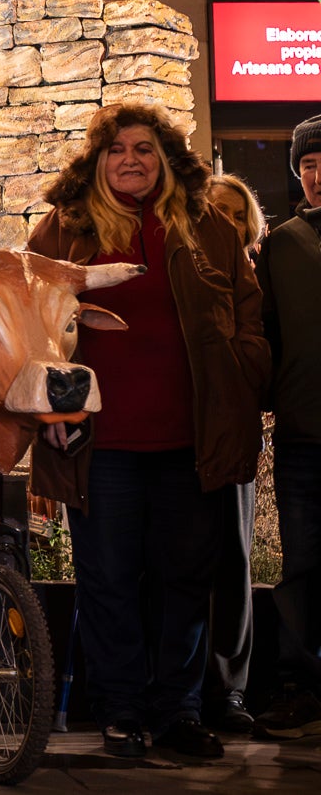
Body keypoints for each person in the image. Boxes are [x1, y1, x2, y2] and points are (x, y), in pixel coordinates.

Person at [28, 102, 268, 761]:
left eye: (144, 148)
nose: (130, 158)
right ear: (97, 160)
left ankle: (179, 710)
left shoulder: (206, 226)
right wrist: (49, 408)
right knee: (109, 579)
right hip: (98, 443)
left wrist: (244, 368)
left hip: (190, 442)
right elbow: (29, 323)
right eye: (116, 149)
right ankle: (124, 711)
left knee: (185, 578)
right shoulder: (65, 230)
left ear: (165, 159)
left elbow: (249, 312)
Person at [255, 114, 321, 740]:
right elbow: (264, 334)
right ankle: (299, 688)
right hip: (304, 433)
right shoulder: (281, 244)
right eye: (309, 166)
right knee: (299, 567)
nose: (319, 176)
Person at [201, 173, 267, 734]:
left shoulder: (263, 273)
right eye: (213, 211)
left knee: (234, 559)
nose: (224, 221)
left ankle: (230, 690)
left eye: (235, 213)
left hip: (237, 431)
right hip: (187, 433)